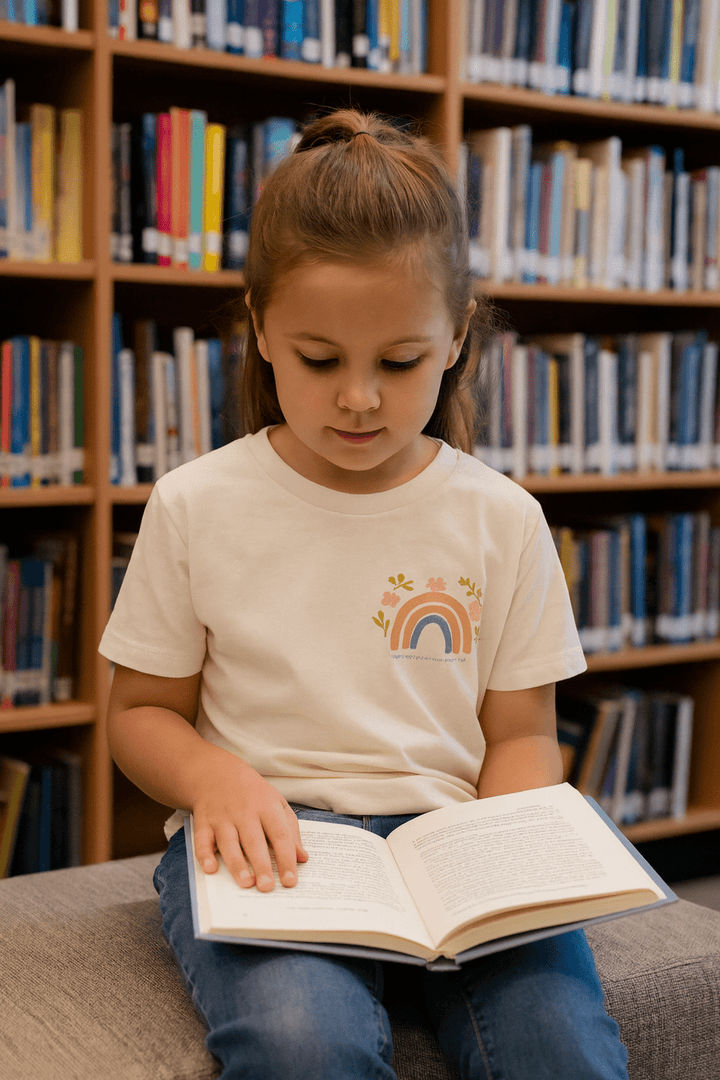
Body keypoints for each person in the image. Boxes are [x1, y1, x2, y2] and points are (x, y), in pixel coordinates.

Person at [99, 107, 630, 1080]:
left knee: (562, 1046)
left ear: (456, 336)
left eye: (399, 363)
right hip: (274, 842)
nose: (359, 398)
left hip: (451, 845)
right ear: (260, 328)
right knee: (305, 1043)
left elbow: (519, 734)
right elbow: (138, 713)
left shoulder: (500, 518)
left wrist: (504, 842)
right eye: (320, 359)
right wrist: (218, 782)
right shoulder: (197, 503)